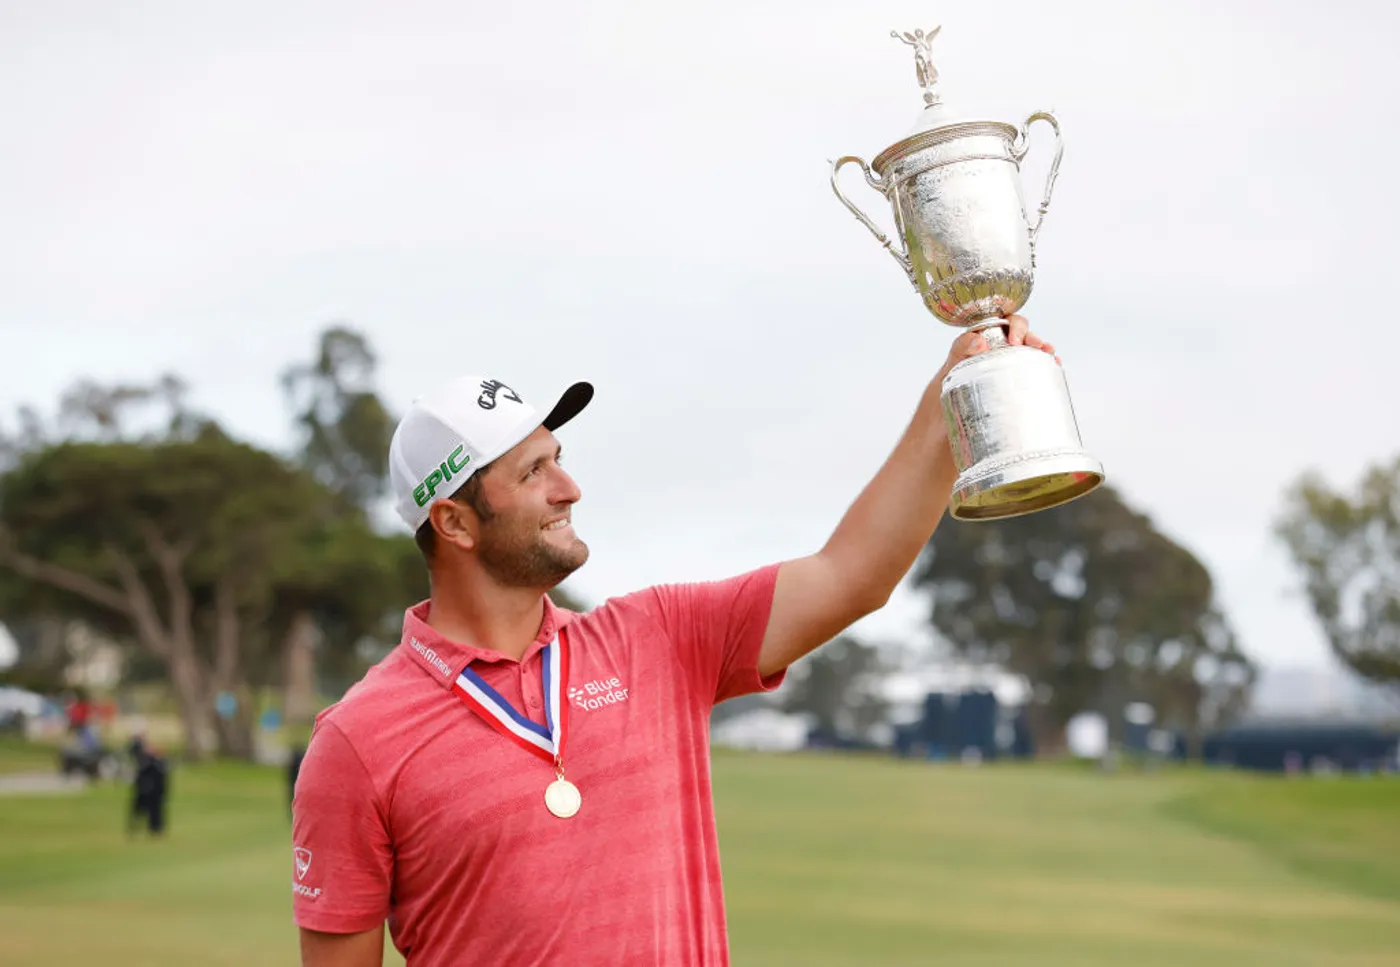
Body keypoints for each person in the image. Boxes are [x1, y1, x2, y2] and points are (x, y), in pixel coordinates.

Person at [291, 317, 1059, 966]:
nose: (569, 488)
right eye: (533, 472)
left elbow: (851, 574)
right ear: (455, 522)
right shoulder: (357, 744)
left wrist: (950, 397)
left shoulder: (657, 636)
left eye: (559, 458)